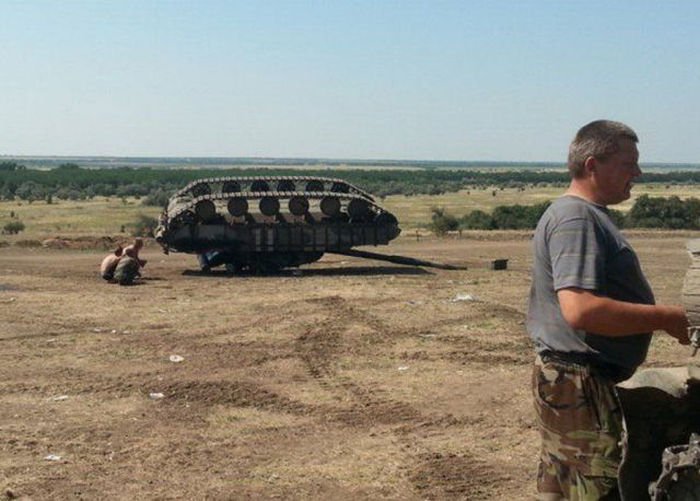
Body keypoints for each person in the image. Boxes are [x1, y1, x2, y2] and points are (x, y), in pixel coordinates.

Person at [527, 120, 690, 500]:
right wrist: (668, 318)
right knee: (598, 491)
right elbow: (581, 311)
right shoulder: (576, 218)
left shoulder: (581, 215)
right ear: (592, 165)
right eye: (628, 163)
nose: (638, 173)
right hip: (581, 381)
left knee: (570, 488)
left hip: (572, 379)